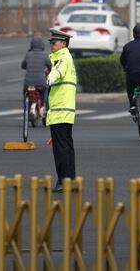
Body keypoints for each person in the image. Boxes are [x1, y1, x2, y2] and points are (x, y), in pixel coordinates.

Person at [46, 29, 76, 193]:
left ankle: (63, 180)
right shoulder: (61, 57)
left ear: (63, 44)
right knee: (67, 146)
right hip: (63, 110)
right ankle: (70, 179)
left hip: (61, 111)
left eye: (54, 42)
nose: (51, 45)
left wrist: (51, 76)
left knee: (60, 149)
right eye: (51, 42)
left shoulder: (63, 57)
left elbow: (59, 70)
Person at [21, 37, 52, 116]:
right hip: (41, 83)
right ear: (42, 45)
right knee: (46, 90)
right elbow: (50, 66)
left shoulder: (28, 54)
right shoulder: (45, 55)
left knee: (25, 93)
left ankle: (26, 109)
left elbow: (23, 65)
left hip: (27, 84)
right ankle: (44, 106)